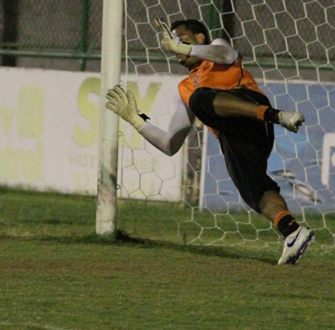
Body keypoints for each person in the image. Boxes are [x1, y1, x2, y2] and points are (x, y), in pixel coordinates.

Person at [105, 18, 312, 265]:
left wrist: (184, 48)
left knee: (200, 97)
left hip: (253, 109)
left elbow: (225, 54)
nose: (174, 47)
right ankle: (292, 232)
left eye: (181, 39)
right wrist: (135, 119)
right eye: (171, 43)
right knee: (254, 190)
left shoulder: (217, 48)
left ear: (200, 38)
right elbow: (171, 144)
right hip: (234, 136)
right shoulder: (185, 89)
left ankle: (277, 115)